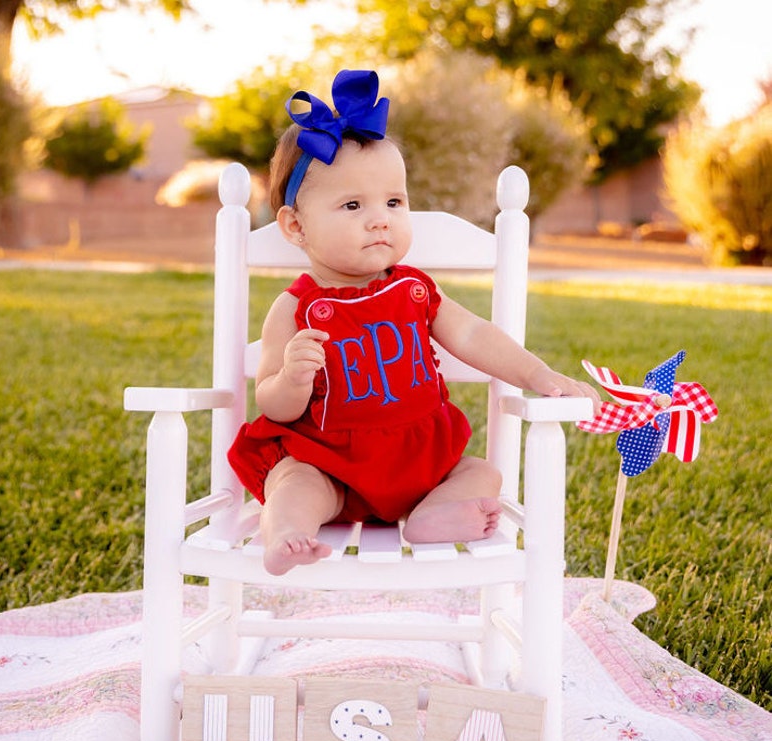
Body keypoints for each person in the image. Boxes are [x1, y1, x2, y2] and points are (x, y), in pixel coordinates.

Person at [228, 70, 601, 576]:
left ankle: (432, 516)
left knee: (482, 472)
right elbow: (271, 403)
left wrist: (539, 376)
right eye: (353, 205)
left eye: (394, 202)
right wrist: (293, 377)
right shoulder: (295, 308)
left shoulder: (415, 289)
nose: (380, 218)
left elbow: (473, 335)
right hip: (331, 463)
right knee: (292, 482)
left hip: (423, 462)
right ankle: (289, 534)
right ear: (296, 225)